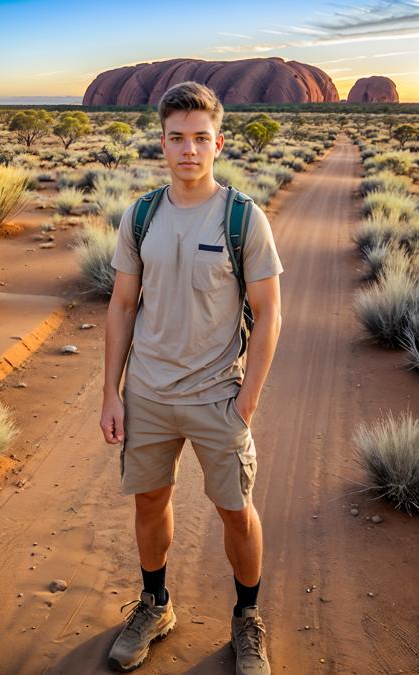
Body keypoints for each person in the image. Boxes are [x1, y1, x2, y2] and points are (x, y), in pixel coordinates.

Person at [100, 81, 283, 674]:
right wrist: (112, 392)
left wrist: (248, 399)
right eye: (176, 138)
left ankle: (247, 619)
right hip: (148, 394)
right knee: (150, 501)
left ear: (219, 143)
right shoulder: (142, 215)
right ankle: (155, 604)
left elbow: (271, 311)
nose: (188, 150)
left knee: (237, 511)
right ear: (162, 143)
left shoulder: (242, 218)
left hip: (217, 397)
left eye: (200, 138)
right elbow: (123, 305)